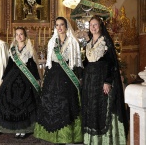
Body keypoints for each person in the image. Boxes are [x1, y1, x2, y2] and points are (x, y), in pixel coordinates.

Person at [34, 17, 83, 144]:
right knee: (50, 103)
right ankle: (52, 135)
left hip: (68, 77)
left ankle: (67, 136)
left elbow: (77, 62)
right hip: (53, 76)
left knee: (66, 104)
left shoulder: (73, 42)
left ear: (66, 26)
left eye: (62, 25)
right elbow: (49, 63)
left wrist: (78, 78)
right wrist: (45, 80)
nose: (59, 27)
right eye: (57, 25)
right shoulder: (52, 42)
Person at [81, 15, 128, 144]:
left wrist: (107, 81)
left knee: (103, 108)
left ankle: (106, 140)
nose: (93, 27)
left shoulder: (105, 41)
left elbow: (112, 63)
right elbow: (87, 62)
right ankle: (92, 140)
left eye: (95, 24)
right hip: (90, 82)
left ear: (100, 26)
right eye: (91, 25)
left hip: (102, 81)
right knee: (92, 108)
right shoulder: (89, 43)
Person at [0, 27, 41, 139]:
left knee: (25, 99)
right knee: (5, 97)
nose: (19, 36)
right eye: (17, 34)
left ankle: (23, 129)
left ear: (25, 36)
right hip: (12, 76)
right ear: (15, 36)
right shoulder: (12, 49)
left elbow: (33, 66)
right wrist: (3, 79)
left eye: (21, 34)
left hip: (26, 77)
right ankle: (3, 127)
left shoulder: (30, 49)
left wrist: (36, 79)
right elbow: (9, 66)